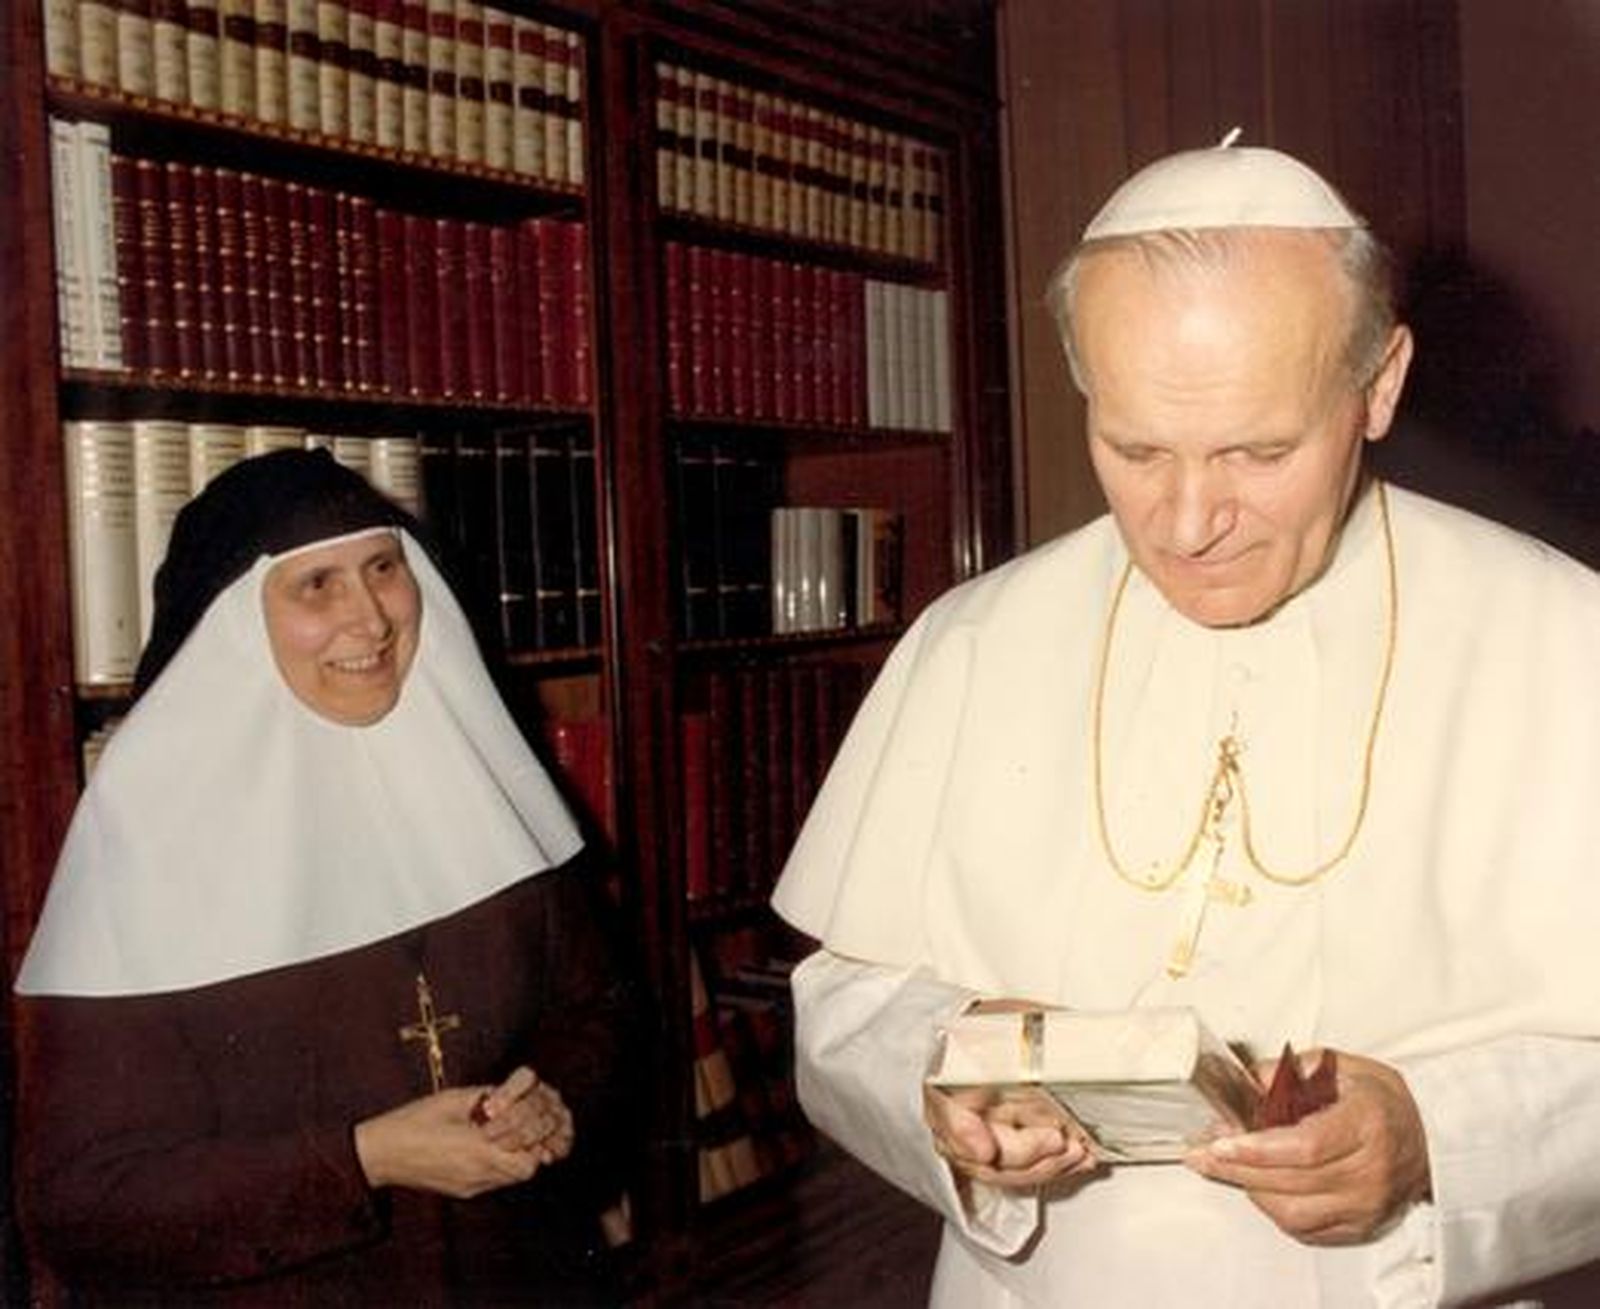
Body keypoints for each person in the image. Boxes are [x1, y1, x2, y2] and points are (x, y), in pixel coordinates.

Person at [771, 137, 1600, 1307]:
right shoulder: (975, 638)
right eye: (1133, 448)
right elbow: (841, 1005)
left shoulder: (1562, 636)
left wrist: (1433, 1137)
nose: (1189, 520)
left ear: (1379, 384)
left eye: (1258, 451)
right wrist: (941, 1071)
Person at [14, 448, 642, 1304]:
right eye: (317, 586)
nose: (373, 621)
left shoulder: (477, 784)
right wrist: (362, 1158)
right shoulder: (143, 850)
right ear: (235, 623)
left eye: (383, 569)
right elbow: (86, 1206)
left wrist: (548, 1099)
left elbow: (594, 1008)